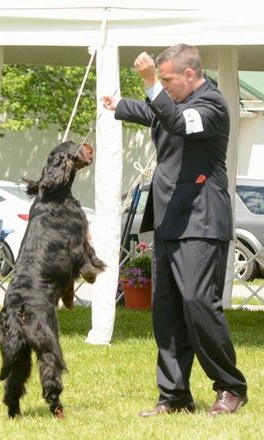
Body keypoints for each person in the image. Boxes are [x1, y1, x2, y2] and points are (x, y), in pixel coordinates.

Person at [102, 44, 247, 416]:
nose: (163, 86)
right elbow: (157, 114)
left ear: (189, 74)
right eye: (160, 80)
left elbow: (177, 121)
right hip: (168, 218)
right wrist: (116, 105)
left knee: (199, 303)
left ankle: (230, 386)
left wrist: (151, 83)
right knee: (166, 311)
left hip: (202, 218)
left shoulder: (211, 105)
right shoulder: (172, 102)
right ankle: (174, 395)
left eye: (167, 80)